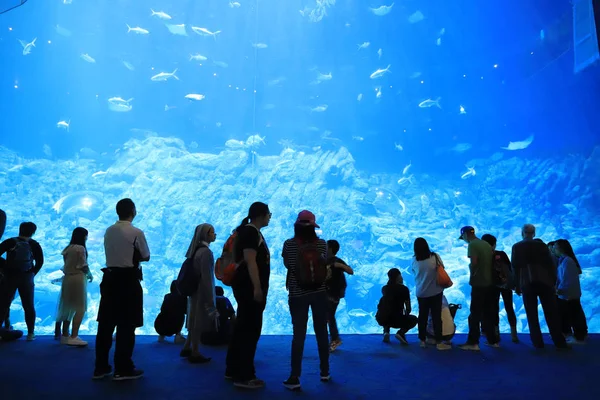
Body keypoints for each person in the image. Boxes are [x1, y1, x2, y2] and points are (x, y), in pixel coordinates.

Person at [93, 199, 150, 380]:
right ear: (133, 211)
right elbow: (146, 256)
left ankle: (101, 367)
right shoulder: (136, 232)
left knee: (106, 325)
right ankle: (123, 368)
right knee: (126, 325)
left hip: (109, 279)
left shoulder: (109, 231)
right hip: (128, 281)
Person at [225, 202, 271, 390]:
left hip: (244, 288)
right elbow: (251, 262)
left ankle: (232, 368)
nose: (269, 217)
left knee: (242, 327)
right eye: (269, 214)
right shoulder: (251, 233)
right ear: (260, 215)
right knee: (250, 330)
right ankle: (244, 375)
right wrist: (257, 288)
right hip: (249, 289)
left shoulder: (247, 231)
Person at [281, 210, 330, 391]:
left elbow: (288, 264)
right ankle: (325, 372)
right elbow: (324, 265)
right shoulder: (322, 245)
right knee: (322, 332)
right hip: (319, 293)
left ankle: (295, 377)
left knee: (299, 335)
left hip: (297, 294)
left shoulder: (289, 244)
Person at [511, 224, 568, 349]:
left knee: (531, 315)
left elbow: (515, 267)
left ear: (522, 232)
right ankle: (559, 341)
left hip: (527, 283)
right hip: (545, 283)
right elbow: (550, 265)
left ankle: (538, 343)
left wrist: (516, 285)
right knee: (551, 313)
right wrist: (553, 282)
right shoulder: (541, 245)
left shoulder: (517, 247)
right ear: (534, 233)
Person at [457, 226, 499, 351]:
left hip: (479, 283)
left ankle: (473, 342)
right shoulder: (485, 244)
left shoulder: (472, 245)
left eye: (463, 237)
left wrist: (472, 274)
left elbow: (474, 263)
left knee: (474, 314)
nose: (464, 240)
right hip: (490, 283)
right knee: (488, 313)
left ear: (465, 235)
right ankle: (493, 341)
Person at [0, 221, 44, 341]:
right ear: (33, 232)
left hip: (10, 277)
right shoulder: (34, 244)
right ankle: (30, 333)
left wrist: (5, 267)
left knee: (3, 304)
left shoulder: (10, 242)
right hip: (26, 278)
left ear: (20, 230)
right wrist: (32, 273)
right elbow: (40, 262)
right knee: (28, 305)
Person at [180, 223, 218, 363]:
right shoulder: (206, 252)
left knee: (193, 318)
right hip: (202, 290)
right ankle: (195, 351)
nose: (214, 235)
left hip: (193, 290)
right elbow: (207, 277)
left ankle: (187, 346)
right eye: (212, 232)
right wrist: (210, 298)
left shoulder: (195, 250)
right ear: (206, 235)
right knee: (198, 321)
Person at [411, 238, 451, 350]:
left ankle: (422, 341)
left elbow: (414, 271)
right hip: (435, 292)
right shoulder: (435, 257)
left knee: (422, 316)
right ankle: (439, 342)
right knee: (436, 317)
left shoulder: (414, 260)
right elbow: (442, 268)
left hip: (421, 292)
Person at [56, 227, 93, 347]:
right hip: (78, 278)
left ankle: (64, 335)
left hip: (67, 278)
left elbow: (66, 263)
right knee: (80, 307)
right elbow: (83, 265)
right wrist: (89, 274)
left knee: (67, 306)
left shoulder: (68, 248)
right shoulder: (80, 248)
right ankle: (74, 336)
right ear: (83, 236)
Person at [481, 233, 519, 343]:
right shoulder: (501, 254)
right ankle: (514, 334)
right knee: (509, 308)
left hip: (492, 286)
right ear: (494, 244)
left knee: (494, 309)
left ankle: (496, 333)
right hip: (506, 284)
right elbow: (510, 268)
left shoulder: (483, 256)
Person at [554, 239, 588, 344]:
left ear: (560, 248)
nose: (554, 249)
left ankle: (579, 338)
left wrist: (559, 290)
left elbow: (567, 279)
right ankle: (579, 336)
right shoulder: (565, 260)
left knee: (575, 316)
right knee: (574, 314)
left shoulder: (567, 261)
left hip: (569, 294)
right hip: (569, 294)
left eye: (555, 247)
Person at [325, 239, 354, 353]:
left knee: (329, 316)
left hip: (333, 293)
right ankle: (333, 339)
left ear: (331, 249)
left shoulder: (336, 261)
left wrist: (338, 265)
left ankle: (335, 339)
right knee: (328, 316)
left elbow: (350, 271)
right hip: (327, 292)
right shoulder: (325, 260)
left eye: (326, 247)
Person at [375, 268, 417, 344]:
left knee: (387, 312)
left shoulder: (384, 288)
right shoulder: (404, 289)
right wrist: (406, 317)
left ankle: (386, 332)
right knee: (414, 319)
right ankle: (401, 333)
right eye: (400, 275)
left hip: (381, 318)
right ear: (398, 276)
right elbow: (408, 308)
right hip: (396, 320)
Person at [154, 281, 187, 345]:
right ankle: (178, 335)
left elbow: (162, 309)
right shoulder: (183, 298)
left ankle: (161, 336)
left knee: (166, 314)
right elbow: (185, 311)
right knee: (181, 315)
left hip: (159, 326)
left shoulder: (167, 296)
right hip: (174, 328)